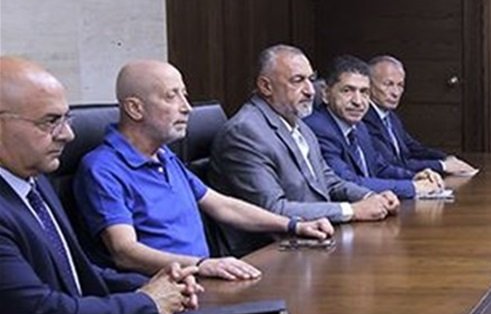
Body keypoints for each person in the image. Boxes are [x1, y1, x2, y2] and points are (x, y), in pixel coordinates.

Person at [74, 60, 335, 281]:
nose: (186, 107)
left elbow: (223, 206)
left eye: (184, 94)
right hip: (167, 293)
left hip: (204, 280)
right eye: (171, 96)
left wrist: (293, 225)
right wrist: (201, 265)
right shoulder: (103, 169)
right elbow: (124, 251)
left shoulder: (164, 157)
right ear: (135, 108)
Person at [0, 56, 200, 314]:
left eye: (66, 118)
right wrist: (146, 302)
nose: (68, 134)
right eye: (50, 121)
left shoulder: (37, 180)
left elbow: (78, 275)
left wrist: (162, 285)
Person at [209, 45, 398, 255]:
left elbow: (329, 181)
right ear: (266, 86)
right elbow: (273, 210)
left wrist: (371, 197)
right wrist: (350, 210)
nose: (310, 90)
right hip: (268, 254)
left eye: (311, 79)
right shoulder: (245, 132)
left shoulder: (299, 124)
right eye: (298, 80)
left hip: (312, 241)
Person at [306, 56, 446, 199]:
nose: (358, 101)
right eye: (347, 90)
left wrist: (415, 177)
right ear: (326, 94)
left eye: (364, 92)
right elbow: (347, 183)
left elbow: (379, 168)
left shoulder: (359, 127)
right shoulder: (318, 128)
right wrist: (412, 187)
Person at [363, 55, 476, 175]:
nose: (396, 93)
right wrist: (442, 165)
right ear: (369, 85)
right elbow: (391, 164)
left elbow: (414, 148)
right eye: (388, 84)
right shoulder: (364, 117)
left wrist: (446, 158)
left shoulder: (390, 116)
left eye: (400, 85)